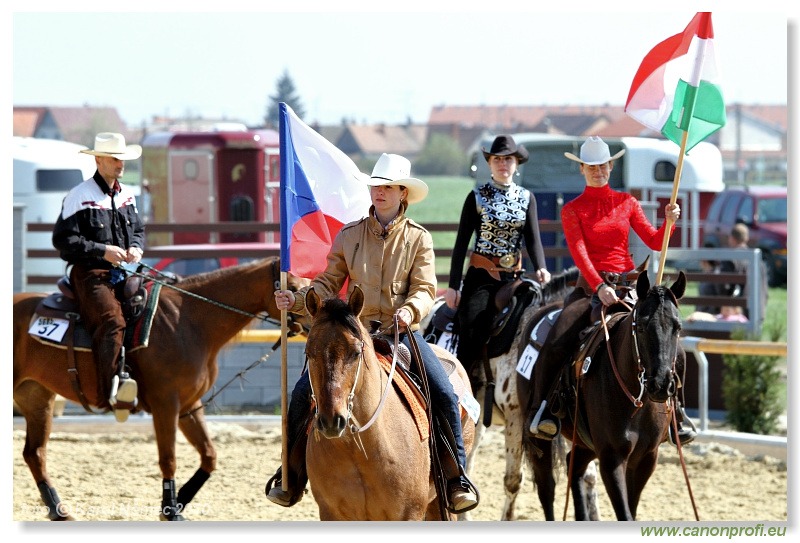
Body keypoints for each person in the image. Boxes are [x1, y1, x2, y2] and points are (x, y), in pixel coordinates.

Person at [266, 153, 479, 513]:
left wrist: (409, 312)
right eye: (375, 186)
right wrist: (299, 298)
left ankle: (455, 476)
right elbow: (328, 281)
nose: (378, 192)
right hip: (354, 332)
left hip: (401, 335)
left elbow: (426, 289)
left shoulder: (418, 239)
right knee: (302, 394)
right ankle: (291, 476)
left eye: (387, 187)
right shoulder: (349, 235)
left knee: (443, 391)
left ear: (402, 194)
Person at [525, 136, 697, 445]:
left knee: (668, 340)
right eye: (591, 167)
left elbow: (656, 241)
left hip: (630, 285)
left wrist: (669, 222)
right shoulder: (573, 210)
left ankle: (678, 413)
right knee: (558, 336)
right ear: (582, 170)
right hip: (590, 288)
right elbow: (579, 253)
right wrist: (599, 285)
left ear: (611, 166)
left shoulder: (627, 203)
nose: (598, 171)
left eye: (602, 165)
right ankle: (545, 409)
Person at [52, 132, 145, 423]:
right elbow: (63, 240)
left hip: (122, 272)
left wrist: (136, 249)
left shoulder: (127, 195)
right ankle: (111, 393)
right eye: (116, 159)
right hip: (89, 274)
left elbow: (139, 231)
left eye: (123, 160)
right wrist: (102, 251)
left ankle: (136, 380)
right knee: (112, 321)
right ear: (99, 160)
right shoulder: (79, 196)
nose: (121, 165)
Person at [445, 135, 550, 379]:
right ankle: (463, 383)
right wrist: (452, 286)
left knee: (537, 314)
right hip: (481, 277)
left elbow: (533, 239)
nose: (503, 164)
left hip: (513, 277)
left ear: (516, 164)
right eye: (497, 159)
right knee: (472, 325)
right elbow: (461, 244)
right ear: (490, 163)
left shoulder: (527, 198)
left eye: (508, 160)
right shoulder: (476, 196)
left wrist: (542, 267)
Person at [719, 223, 768, 324]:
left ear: (732, 238)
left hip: (740, 315)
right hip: (760, 312)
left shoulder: (731, 259)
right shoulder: (760, 261)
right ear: (746, 239)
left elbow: (725, 288)